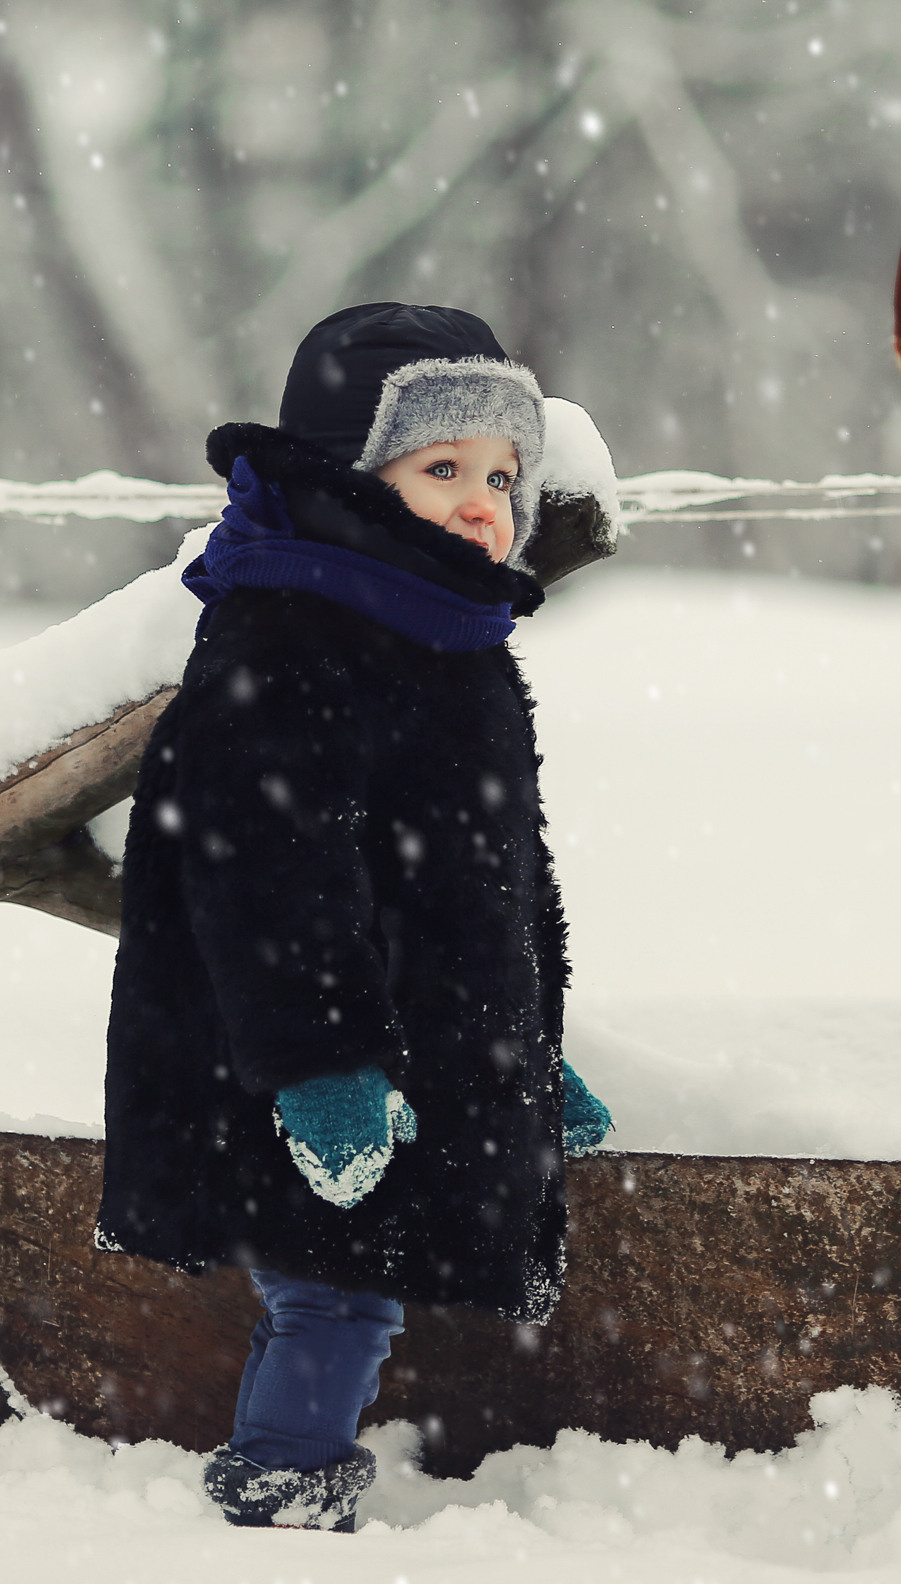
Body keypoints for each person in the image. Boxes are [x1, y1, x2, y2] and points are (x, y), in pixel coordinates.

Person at [96, 302, 615, 1533]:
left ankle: (287, 1481)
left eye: (502, 476)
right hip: (294, 1052)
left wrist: (528, 1055)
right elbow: (269, 874)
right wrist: (321, 1063)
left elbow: (491, 889)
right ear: (350, 476)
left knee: (341, 1280)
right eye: (443, 470)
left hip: (400, 1045)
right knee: (334, 1290)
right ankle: (282, 1494)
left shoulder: (451, 642)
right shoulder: (295, 633)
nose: (483, 504)